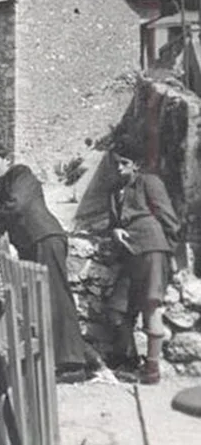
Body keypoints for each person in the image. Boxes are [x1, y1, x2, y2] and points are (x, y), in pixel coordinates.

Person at [0, 138, 99, 382]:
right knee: (47, 300)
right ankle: (80, 357)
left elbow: (16, 205)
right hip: (33, 243)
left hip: (44, 237)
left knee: (57, 298)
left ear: (7, 159)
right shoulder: (2, 185)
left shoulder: (21, 173)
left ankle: (74, 366)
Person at [105, 140, 182, 385]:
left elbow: (169, 218)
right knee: (117, 309)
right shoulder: (114, 190)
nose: (119, 168)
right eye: (116, 163)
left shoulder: (149, 182)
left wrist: (170, 252)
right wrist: (115, 231)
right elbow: (114, 223)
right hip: (130, 256)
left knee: (151, 305)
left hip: (152, 250)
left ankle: (151, 369)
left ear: (136, 165)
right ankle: (129, 361)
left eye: (124, 163)